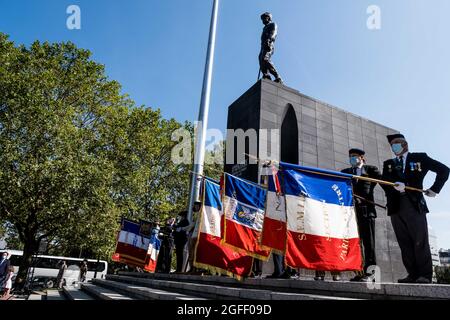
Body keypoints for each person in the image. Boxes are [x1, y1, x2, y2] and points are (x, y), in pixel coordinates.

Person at [382, 133, 449, 284]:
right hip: (395, 206)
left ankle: (425, 275)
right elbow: (384, 182)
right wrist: (394, 189)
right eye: (392, 144)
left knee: (420, 240)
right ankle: (412, 274)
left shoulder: (420, 158)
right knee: (404, 242)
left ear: (405, 144)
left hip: (414, 204)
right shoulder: (389, 163)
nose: (394, 146)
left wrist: (435, 189)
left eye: (397, 143)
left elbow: (444, 170)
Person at [341, 148, 382, 282]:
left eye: (355, 156)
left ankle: (371, 273)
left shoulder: (371, 170)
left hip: (366, 211)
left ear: (362, 158)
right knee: (355, 243)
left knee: (369, 244)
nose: (352, 158)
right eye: (351, 156)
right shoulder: (345, 172)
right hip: (351, 214)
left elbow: (383, 182)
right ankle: (359, 271)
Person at [259, 12, 283, 84]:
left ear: (269, 18)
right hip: (263, 46)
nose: (263, 20)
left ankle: (278, 77)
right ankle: (266, 75)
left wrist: (269, 40)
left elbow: (274, 33)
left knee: (265, 59)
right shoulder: (264, 28)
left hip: (269, 44)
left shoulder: (273, 24)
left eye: (264, 18)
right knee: (260, 59)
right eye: (262, 19)